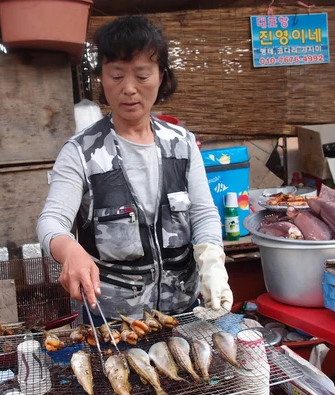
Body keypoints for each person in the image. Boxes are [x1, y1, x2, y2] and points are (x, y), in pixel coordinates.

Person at [37, 16, 233, 322]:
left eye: (142, 76)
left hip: (184, 317)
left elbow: (203, 213)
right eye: (116, 76)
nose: (129, 89)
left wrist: (212, 262)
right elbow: (52, 221)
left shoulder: (182, 144)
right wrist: (69, 250)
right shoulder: (80, 152)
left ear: (161, 76)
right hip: (112, 325)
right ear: (101, 77)